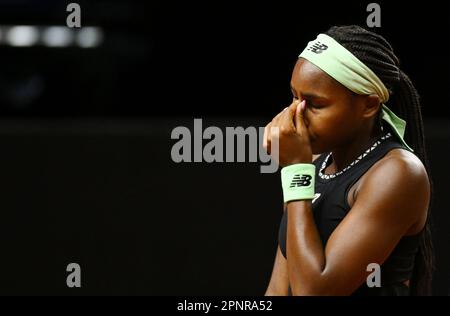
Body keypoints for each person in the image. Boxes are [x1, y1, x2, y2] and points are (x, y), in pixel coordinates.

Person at [263, 25, 433, 296]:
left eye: (315, 104)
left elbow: (314, 291)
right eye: (294, 97)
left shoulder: (399, 173)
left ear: (369, 105)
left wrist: (296, 169)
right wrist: (300, 169)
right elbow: (280, 287)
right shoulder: (314, 162)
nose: (295, 114)